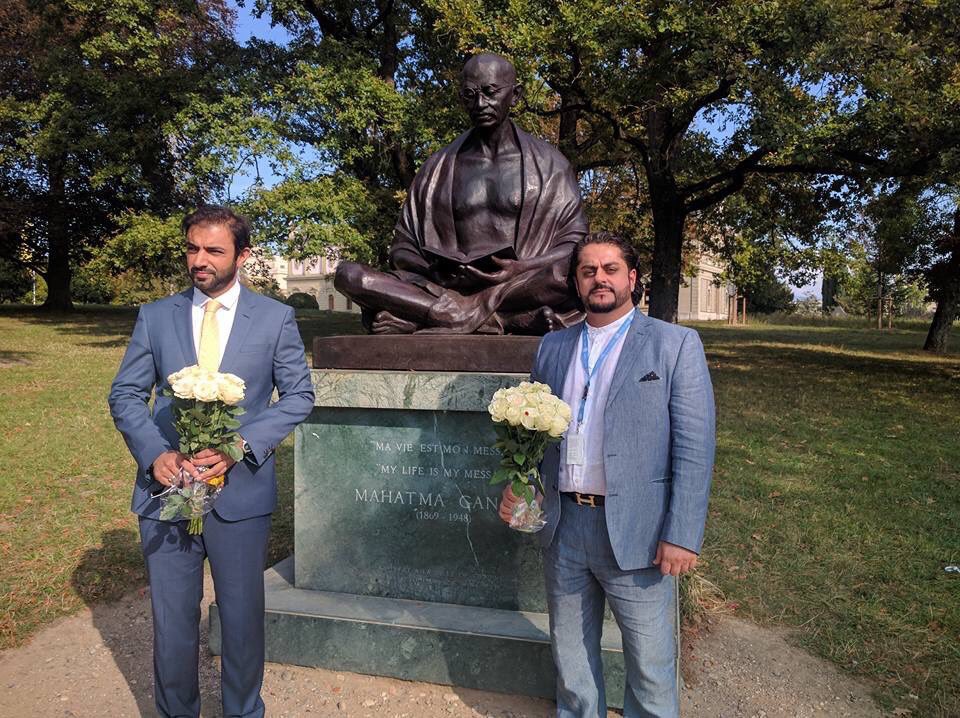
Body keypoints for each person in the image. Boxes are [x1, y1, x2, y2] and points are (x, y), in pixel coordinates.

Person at [108, 206, 315, 718]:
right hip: (165, 493)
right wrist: (155, 453)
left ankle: (244, 711)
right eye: (192, 248)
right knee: (172, 621)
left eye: (213, 250)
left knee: (242, 620)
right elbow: (127, 394)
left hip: (239, 497)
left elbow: (298, 395)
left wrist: (237, 446)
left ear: (242, 256)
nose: (199, 260)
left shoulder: (274, 318)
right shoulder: (155, 316)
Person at [500, 232, 715, 717]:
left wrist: (682, 534)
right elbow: (533, 436)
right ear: (577, 283)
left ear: (632, 278)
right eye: (588, 270)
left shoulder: (674, 344)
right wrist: (523, 490)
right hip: (564, 526)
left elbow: (695, 448)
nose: (600, 278)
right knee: (572, 657)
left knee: (650, 664)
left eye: (610, 269)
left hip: (638, 530)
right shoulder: (553, 348)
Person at [334, 53, 588, 335]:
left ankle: (438, 316)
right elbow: (402, 247)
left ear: (515, 95)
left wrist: (520, 267)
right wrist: (434, 269)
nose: (480, 104)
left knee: (567, 275)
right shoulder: (436, 169)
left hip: (520, 284)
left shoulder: (551, 165)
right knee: (351, 275)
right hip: (444, 287)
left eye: (491, 92)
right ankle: (499, 319)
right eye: (470, 95)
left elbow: (574, 244)